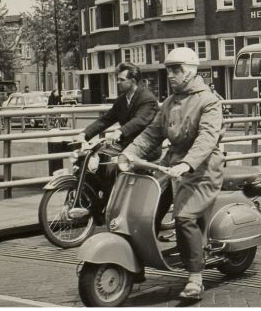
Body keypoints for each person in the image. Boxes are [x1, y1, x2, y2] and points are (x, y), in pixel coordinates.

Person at [123, 47, 224, 301]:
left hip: (202, 167)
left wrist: (188, 164)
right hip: (172, 163)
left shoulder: (209, 101)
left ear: (190, 72)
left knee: (184, 217)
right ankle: (136, 264)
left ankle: (195, 277)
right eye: (168, 69)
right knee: (145, 209)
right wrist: (129, 152)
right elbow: (151, 134)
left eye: (176, 69)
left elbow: (207, 138)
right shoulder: (168, 102)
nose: (170, 74)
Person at [78, 63, 159, 152]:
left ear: (133, 81)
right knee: (96, 155)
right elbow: (105, 120)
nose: (118, 82)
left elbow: (139, 121)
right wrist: (84, 134)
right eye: (117, 79)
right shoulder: (121, 100)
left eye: (122, 80)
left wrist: (119, 132)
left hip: (147, 146)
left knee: (112, 162)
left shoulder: (147, 98)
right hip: (126, 145)